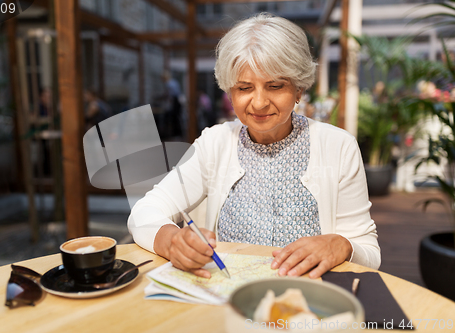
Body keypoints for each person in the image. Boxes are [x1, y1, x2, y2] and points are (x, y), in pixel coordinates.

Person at [128, 14, 380, 279]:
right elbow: (143, 213)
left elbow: (369, 252)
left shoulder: (338, 146)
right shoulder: (215, 143)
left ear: (299, 89)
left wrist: (342, 245)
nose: (259, 103)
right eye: (245, 88)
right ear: (230, 92)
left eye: (275, 86)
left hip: (308, 303)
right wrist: (172, 241)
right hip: (228, 300)